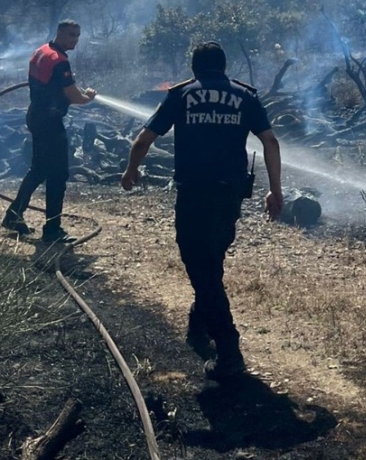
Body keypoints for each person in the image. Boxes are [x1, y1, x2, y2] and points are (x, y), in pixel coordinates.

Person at [121, 41, 283, 380]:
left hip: (195, 194)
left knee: (200, 266)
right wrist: (275, 190)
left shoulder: (181, 94)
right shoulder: (245, 95)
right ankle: (199, 328)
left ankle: (229, 350)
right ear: (224, 67)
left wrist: (131, 170)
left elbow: (143, 139)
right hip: (230, 195)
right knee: (211, 261)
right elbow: (270, 141)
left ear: (194, 68)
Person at [2, 20, 97, 243]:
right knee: (58, 176)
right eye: (71, 35)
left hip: (36, 116)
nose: (75, 40)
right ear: (60, 34)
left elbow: (51, 85)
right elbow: (74, 96)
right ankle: (52, 230)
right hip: (50, 123)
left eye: (78, 35)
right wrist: (88, 98)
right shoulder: (60, 61)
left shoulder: (41, 51)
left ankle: (13, 216)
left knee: (38, 171)